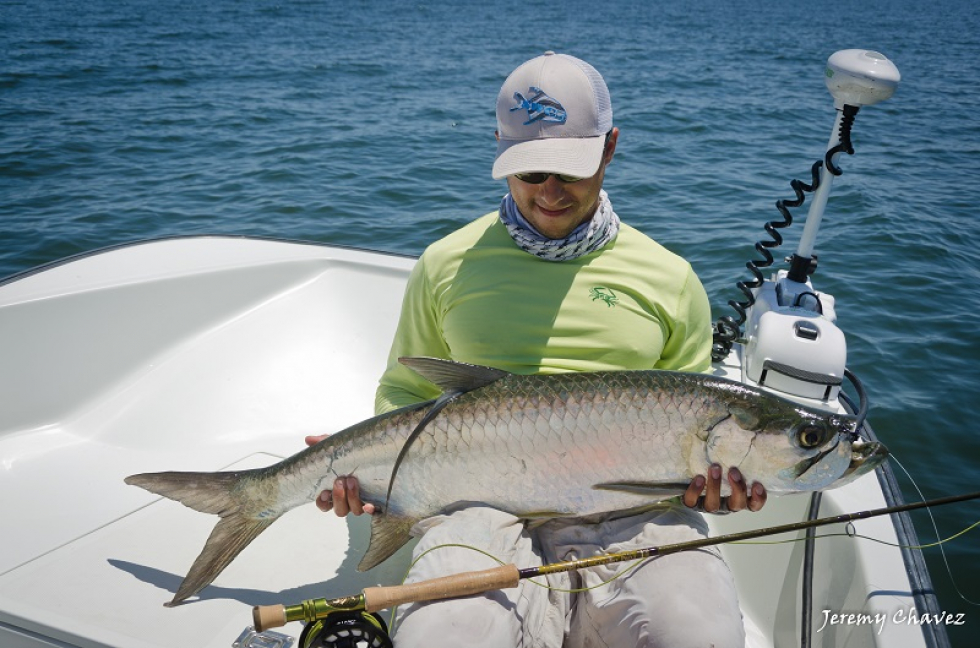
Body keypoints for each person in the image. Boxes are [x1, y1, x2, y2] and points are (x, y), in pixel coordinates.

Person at [306, 52, 766, 647]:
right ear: (500, 152)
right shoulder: (447, 264)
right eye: (530, 173)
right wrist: (370, 474)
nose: (550, 193)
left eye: (570, 170)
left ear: (609, 148)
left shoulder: (670, 279)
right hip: (475, 505)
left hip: (633, 509)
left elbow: (695, 420)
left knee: (692, 635)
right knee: (448, 635)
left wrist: (717, 489)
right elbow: (405, 395)